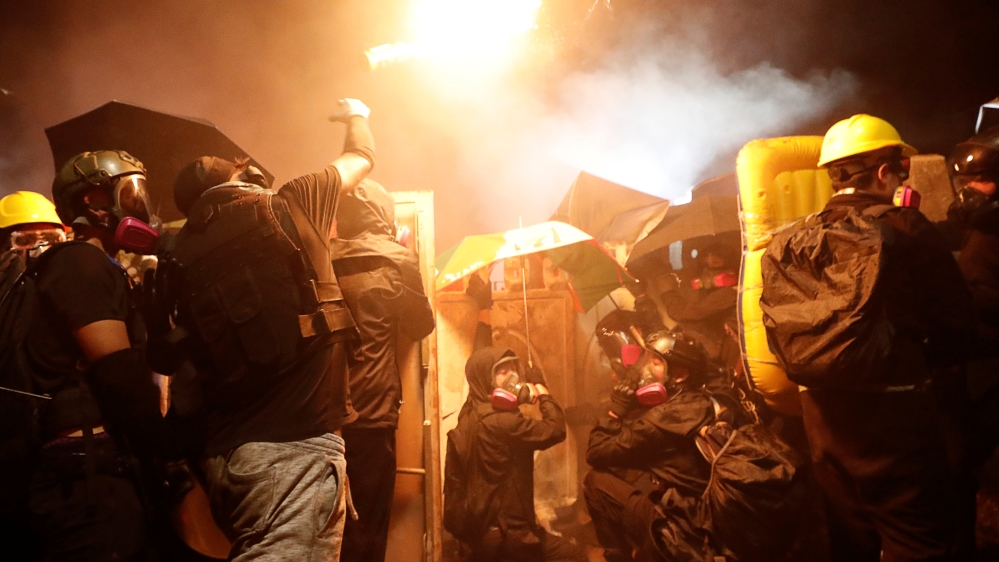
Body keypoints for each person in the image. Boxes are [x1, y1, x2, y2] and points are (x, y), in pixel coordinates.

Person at [164, 98, 374, 560]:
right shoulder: (293, 204)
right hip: (292, 457)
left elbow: (171, 368)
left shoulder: (176, 259)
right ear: (249, 179)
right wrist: (357, 114)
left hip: (225, 461)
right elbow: (361, 158)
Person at [793, 114, 974, 561]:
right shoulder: (907, 228)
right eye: (901, 167)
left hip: (821, 418)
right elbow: (957, 322)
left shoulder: (800, 235)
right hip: (893, 417)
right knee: (916, 540)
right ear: (883, 172)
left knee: (851, 540)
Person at [24, 150, 182, 561]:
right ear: (94, 203)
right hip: (84, 480)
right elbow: (117, 375)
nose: (141, 206)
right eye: (129, 194)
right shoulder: (79, 263)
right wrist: (166, 451)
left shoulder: (100, 266)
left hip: (95, 471)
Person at [443, 273, 585, 562]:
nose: (511, 377)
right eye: (502, 372)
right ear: (487, 380)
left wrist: (485, 309)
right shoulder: (504, 424)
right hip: (511, 536)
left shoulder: (471, 411)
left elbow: (480, 359)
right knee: (575, 557)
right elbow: (555, 430)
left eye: (512, 369)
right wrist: (542, 391)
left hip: (480, 532)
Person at [332, 178, 435, 562]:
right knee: (371, 527)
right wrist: (405, 258)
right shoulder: (398, 259)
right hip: (373, 413)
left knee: (328, 528)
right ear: (384, 214)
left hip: (323, 415)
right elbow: (420, 325)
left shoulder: (321, 257)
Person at [659, 239, 740, 370]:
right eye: (706, 262)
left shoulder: (729, 292)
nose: (707, 274)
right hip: (715, 350)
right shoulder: (710, 291)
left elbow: (690, 313)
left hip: (724, 357)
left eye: (716, 263)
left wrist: (667, 293)